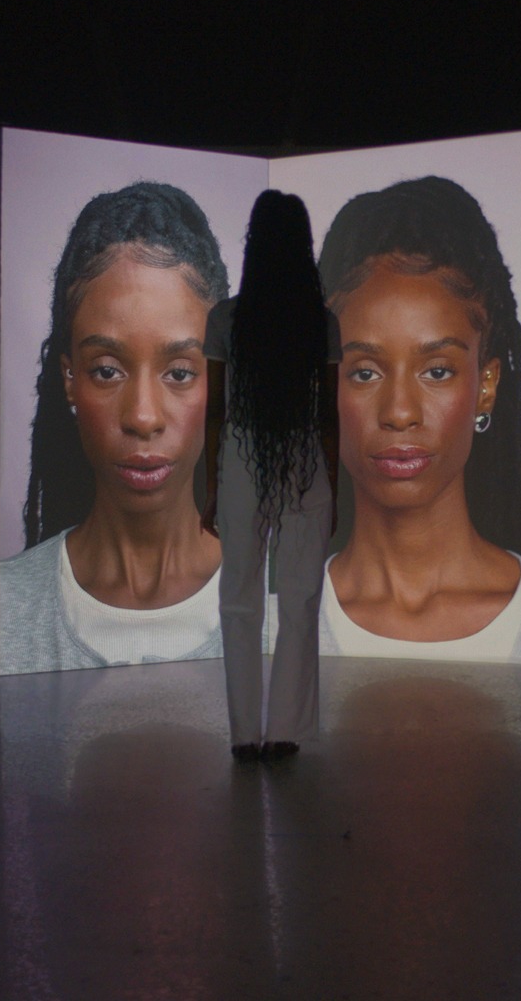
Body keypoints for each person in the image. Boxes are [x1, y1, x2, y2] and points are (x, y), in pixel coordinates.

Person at [0, 182, 228, 674]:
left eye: (179, 373)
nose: (143, 417)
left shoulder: (290, 603)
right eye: (107, 370)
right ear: (70, 380)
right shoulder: (1, 609)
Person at [316, 176, 521, 663]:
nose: (400, 412)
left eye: (437, 371)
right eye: (364, 372)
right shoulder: (269, 627)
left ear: (485, 386)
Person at [201, 190, 339, 759]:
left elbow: (215, 411)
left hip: (241, 457)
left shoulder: (227, 318)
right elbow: (329, 416)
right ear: (303, 245)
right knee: (300, 600)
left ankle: (243, 736)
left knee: (238, 599)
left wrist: (211, 486)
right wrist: (334, 490)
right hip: (306, 460)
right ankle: (285, 732)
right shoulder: (320, 322)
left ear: (252, 243)